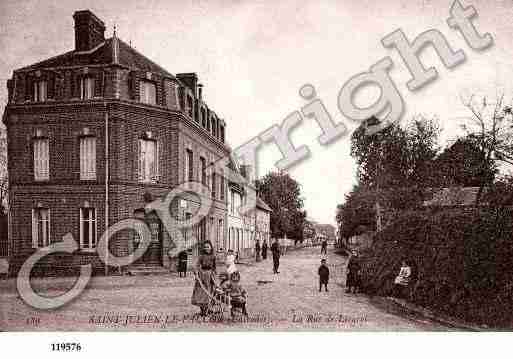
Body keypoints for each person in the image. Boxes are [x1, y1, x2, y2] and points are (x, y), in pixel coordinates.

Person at [191, 241, 217, 316]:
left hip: (210, 276)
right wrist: (196, 272)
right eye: (205, 247)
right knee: (200, 292)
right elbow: (197, 264)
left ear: (211, 247)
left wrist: (214, 275)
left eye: (208, 247)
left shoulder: (213, 256)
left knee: (209, 292)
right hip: (202, 275)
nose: (206, 248)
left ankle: (208, 309)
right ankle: (202, 310)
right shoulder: (201, 256)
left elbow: (215, 267)